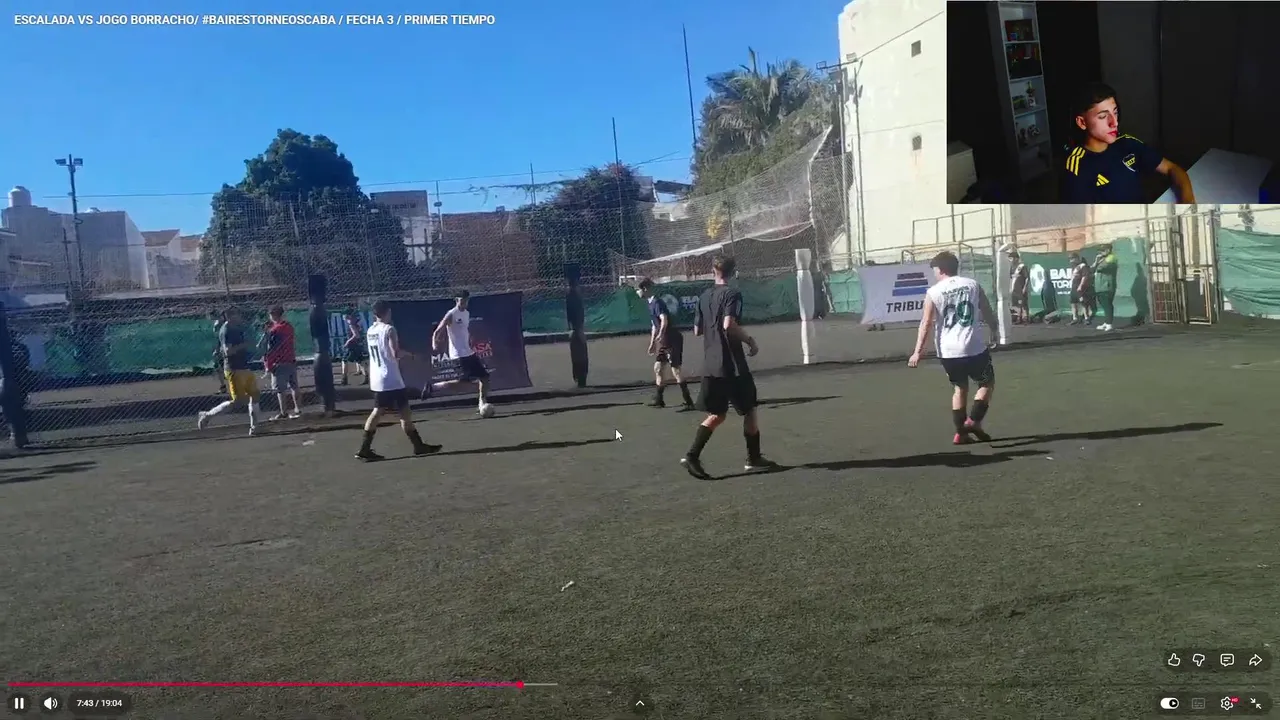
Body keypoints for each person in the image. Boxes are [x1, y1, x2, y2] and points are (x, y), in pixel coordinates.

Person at [681, 255, 778, 480]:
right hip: (732, 364)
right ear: (733, 272)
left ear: (713, 271)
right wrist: (750, 341)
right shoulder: (732, 294)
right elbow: (728, 324)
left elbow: (697, 331)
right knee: (750, 408)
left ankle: (691, 456)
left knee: (717, 414)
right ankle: (753, 459)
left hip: (711, 364)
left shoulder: (704, 296)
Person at [908, 251, 999, 445]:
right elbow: (986, 309)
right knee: (986, 383)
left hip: (948, 351)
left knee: (959, 388)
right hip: (973, 346)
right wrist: (994, 329)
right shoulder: (972, 284)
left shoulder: (933, 292)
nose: (934, 273)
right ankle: (973, 421)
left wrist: (917, 351)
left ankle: (961, 433)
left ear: (941, 270)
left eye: (934, 270)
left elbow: (926, 323)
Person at [1061, 82, 1195, 204]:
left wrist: (1188, 201)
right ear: (1082, 122)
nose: (1114, 123)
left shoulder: (1126, 143)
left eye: (1115, 113)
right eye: (1103, 116)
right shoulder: (1077, 167)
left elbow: (1171, 168)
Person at [357, 300, 441, 461]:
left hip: (378, 378)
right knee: (395, 411)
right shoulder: (389, 329)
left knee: (388, 411)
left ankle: (417, 445)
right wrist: (412, 355)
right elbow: (395, 353)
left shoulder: (370, 330)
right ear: (387, 312)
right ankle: (365, 449)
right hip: (390, 378)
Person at [198, 307, 260, 435]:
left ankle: (254, 427)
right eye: (236, 315)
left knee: (254, 395)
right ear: (230, 316)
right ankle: (207, 415)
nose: (239, 317)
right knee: (237, 401)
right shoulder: (226, 330)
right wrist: (244, 345)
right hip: (234, 369)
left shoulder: (237, 328)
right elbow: (228, 351)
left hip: (245, 366)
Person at [636, 279, 695, 411]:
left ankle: (689, 402)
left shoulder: (658, 302)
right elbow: (654, 326)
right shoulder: (650, 303)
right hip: (663, 341)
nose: (637, 292)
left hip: (672, 339)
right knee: (658, 368)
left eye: (638, 290)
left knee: (675, 370)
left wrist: (662, 334)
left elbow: (664, 320)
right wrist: (652, 343)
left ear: (645, 289)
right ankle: (659, 399)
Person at [431, 290, 491, 414]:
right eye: (461, 300)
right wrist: (434, 344)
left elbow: (463, 331)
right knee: (463, 382)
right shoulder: (451, 314)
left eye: (465, 300)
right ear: (456, 300)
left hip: (468, 352)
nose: (463, 302)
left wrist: (469, 342)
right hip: (458, 354)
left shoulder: (467, 313)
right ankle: (433, 387)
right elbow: (438, 330)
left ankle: (482, 402)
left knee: (484, 377)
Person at [262, 305, 302, 420]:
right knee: (294, 386)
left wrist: (268, 365)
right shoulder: (289, 327)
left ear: (273, 315)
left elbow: (271, 349)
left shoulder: (274, 330)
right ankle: (298, 409)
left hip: (279, 362)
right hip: (290, 359)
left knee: (280, 389)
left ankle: (283, 412)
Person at [1092, 244, 1119, 332]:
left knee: (1107, 305)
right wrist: (1096, 261)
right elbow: (1092, 269)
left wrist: (1097, 263)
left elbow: (1101, 268)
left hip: (1107, 286)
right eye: (1100, 250)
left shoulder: (1111, 258)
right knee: (1104, 304)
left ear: (1108, 250)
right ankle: (1106, 322)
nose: (1101, 252)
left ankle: (1109, 324)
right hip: (1100, 286)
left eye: (1103, 250)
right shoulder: (1103, 259)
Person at [341, 311, 368, 385]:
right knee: (360, 360)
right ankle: (366, 377)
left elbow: (356, 335)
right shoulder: (357, 324)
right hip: (357, 345)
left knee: (344, 360)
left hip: (352, 346)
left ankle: (344, 379)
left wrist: (348, 342)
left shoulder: (351, 325)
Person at [1069, 252, 1095, 325]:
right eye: (1070, 259)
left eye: (1072, 259)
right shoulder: (1074, 267)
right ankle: (1075, 318)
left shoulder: (1083, 266)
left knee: (1083, 303)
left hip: (1081, 288)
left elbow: (1084, 276)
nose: (1071, 261)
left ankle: (1086, 318)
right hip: (1073, 288)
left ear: (1077, 258)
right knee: (1073, 303)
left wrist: (1080, 286)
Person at [1009, 250, 1030, 324]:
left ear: (1016, 258)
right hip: (1014, 290)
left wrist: (1024, 288)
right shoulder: (1012, 267)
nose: (1010, 260)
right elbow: (1011, 278)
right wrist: (1010, 288)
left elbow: (1027, 278)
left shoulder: (1022, 266)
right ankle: (1018, 318)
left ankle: (1026, 318)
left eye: (1011, 258)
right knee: (1017, 305)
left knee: (1023, 304)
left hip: (1021, 289)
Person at [210, 310, 227, 394]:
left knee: (226, 367)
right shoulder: (217, 324)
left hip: (224, 348)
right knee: (218, 366)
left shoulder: (223, 325)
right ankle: (223, 386)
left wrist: (218, 349)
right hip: (222, 348)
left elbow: (220, 339)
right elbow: (218, 339)